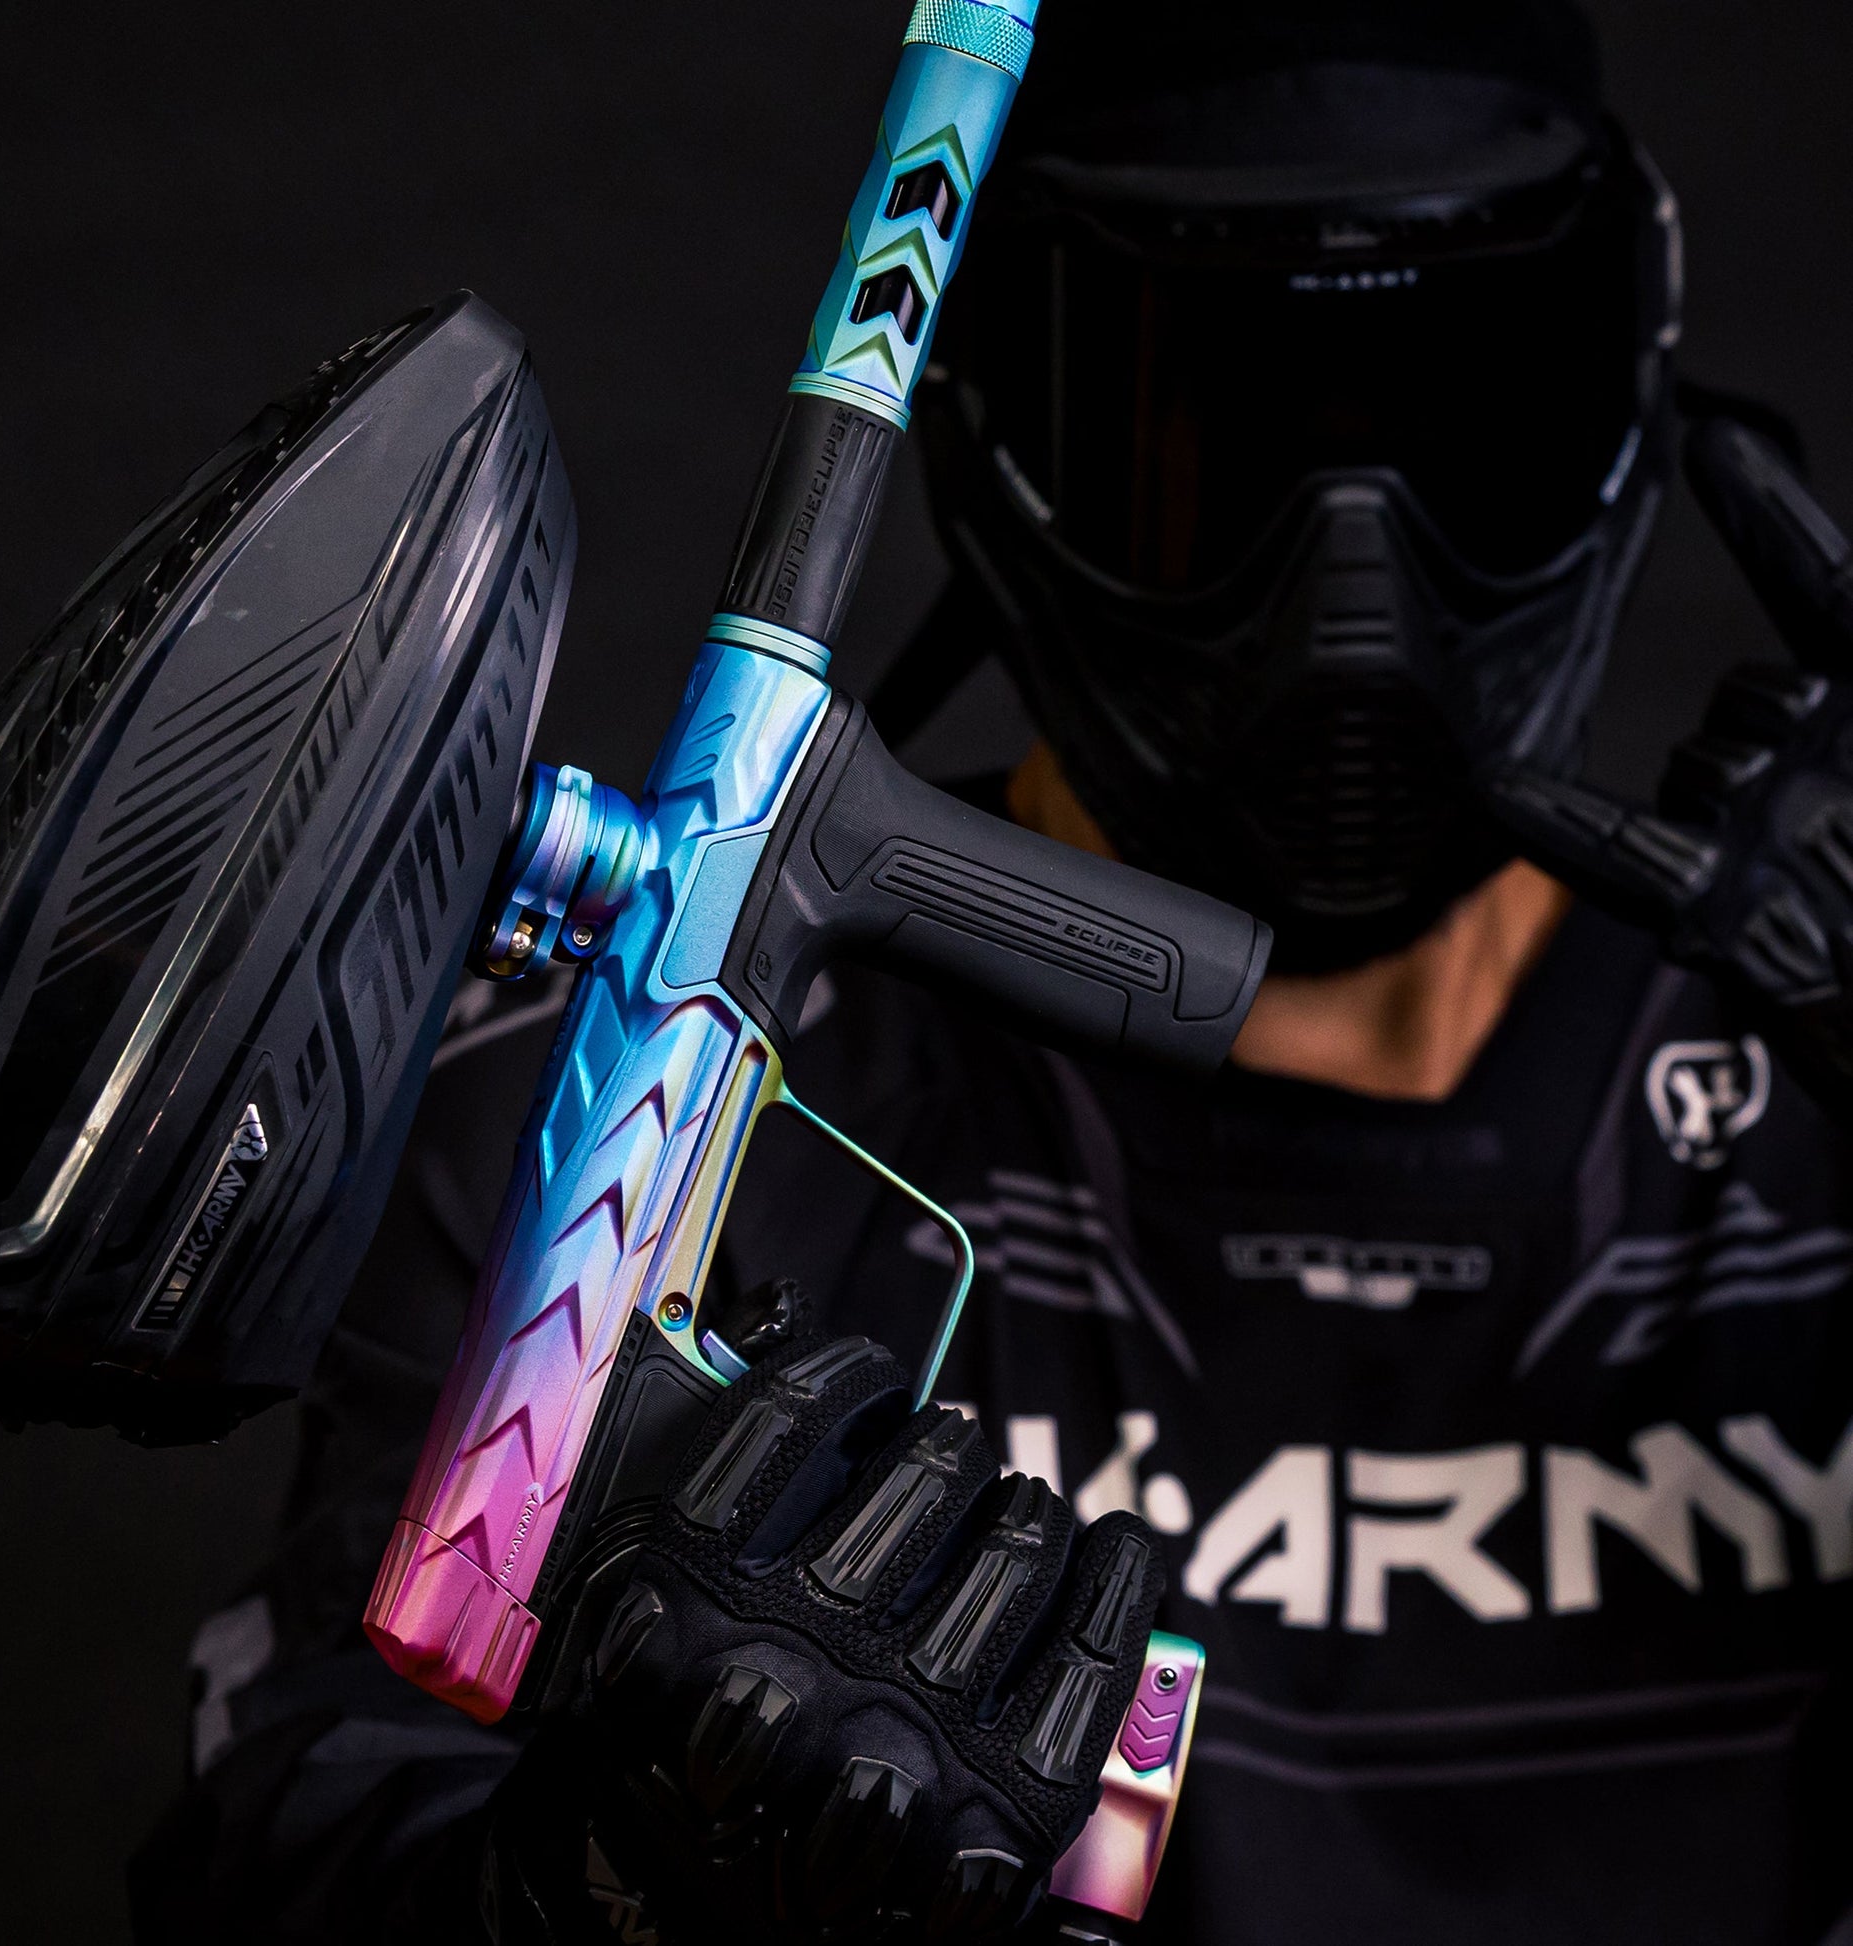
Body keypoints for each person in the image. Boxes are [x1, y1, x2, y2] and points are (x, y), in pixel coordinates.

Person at [130, 3, 1853, 1941]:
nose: (1352, 597)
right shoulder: (629, 1115)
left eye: (1458, 424)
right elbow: (288, 1839)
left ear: (1623, 402)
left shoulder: (1819, 1102)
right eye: (1208, 438)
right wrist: (594, 1890)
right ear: (991, 434)